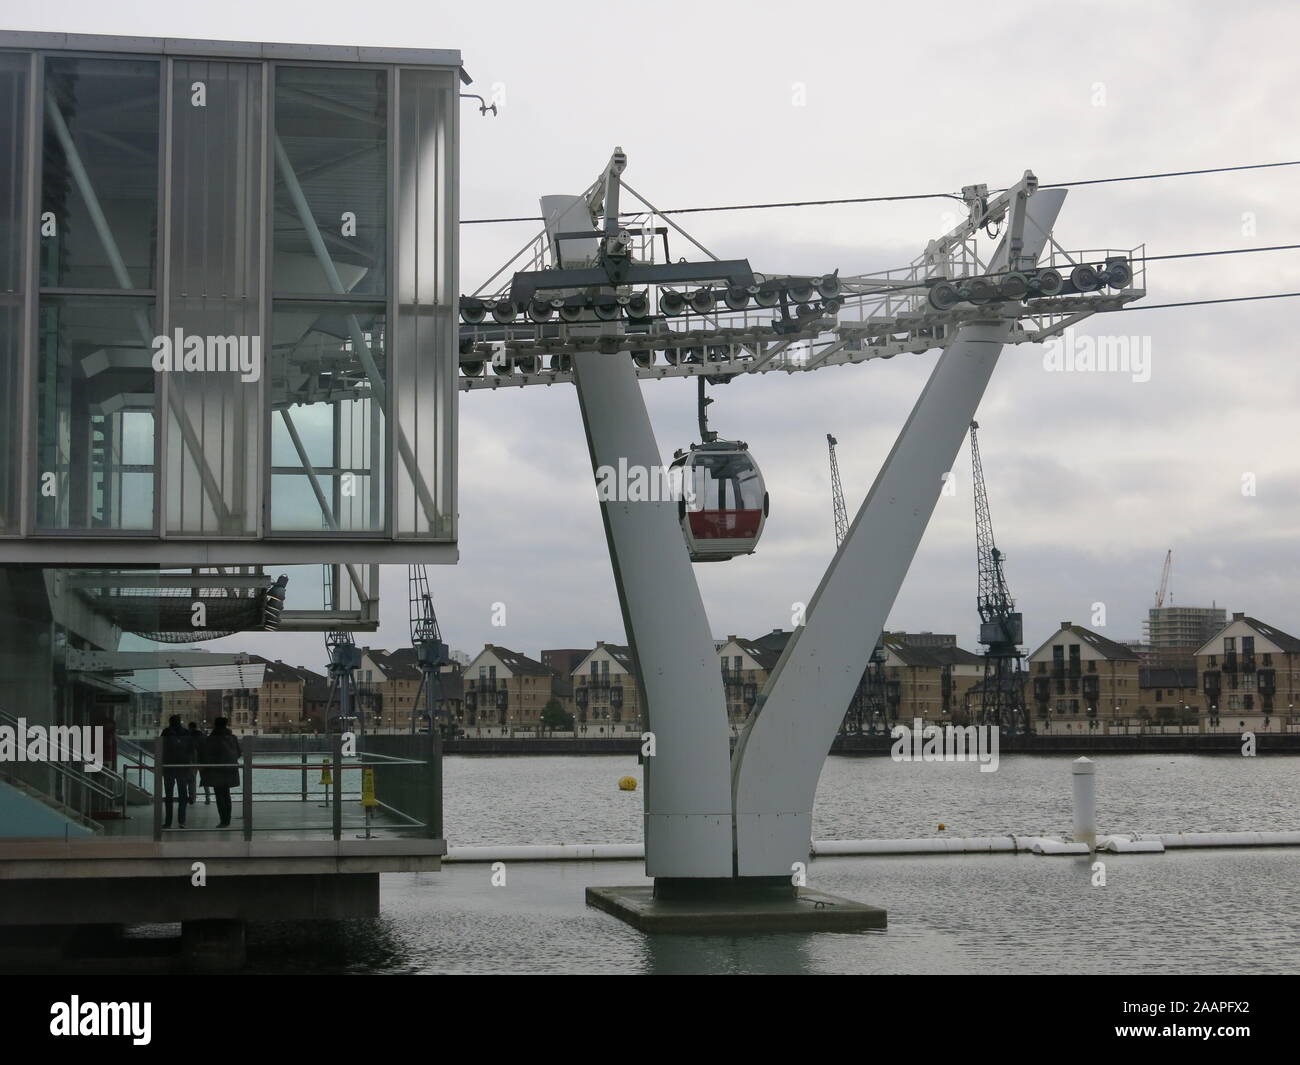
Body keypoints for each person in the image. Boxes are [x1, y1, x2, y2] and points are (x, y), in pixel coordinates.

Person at [200, 717, 242, 829]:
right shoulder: (232, 738)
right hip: (230, 770)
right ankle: (227, 819)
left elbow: (206, 755)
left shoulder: (212, 738)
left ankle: (223, 820)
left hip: (216, 770)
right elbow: (238, 753)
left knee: (219, 795)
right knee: (227, 795)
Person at [159, 715, 194, 829]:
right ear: (180, 722)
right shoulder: (186, 732)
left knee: (169, 795)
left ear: (170, 722)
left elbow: (160, 748)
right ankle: (181, 821)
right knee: (182, 795)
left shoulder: (166, 732)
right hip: (183, 767)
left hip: (168, 767)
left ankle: (168, 822)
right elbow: (191, 749)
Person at [185, 722, 206, 805]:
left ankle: (192, 797)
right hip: (201, 760)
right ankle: (207, 797)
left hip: (192, 759)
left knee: (191, 779)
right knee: (203, 779)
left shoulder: (188, 736)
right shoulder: (201, 736)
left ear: (190, 727)